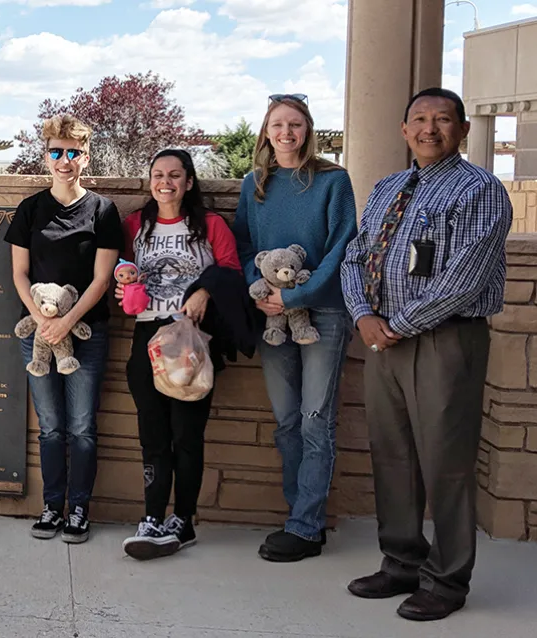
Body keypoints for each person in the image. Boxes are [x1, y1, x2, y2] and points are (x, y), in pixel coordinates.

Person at [341, 88, 511, 622]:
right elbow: (354, 255)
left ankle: (447, 579)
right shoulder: (388, 187)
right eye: (419, 119)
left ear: (462, 129)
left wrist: (397, 325)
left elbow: (467, 276)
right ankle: (401, 562)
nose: (429, 128)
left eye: (442, 119)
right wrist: (364, 317)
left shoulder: (479, 189)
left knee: (446, 464)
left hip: (445, 340)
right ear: (403, 128)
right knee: (391, 455)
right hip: (382, 339)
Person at [232, 94, 358, 562]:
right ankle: (300, 516)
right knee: (286, 419)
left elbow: (343, 246)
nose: (286, 133)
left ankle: (306, 528)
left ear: (308, 130)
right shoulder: (255, 184)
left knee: (314, 420)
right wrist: (260, 291)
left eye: (296, 124)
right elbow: (244, 244)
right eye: (278, 124)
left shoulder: (333, 181)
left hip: (322, 312)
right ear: (266, 131)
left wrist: (295, 296)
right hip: (272, 317)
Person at [117, 149, 254, 560]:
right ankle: (153, 517)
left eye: (175, 175)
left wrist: (204, 291)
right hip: (147, 338)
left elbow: (231, 271)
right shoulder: (134, 225)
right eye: (158, 174)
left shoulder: (210, 225)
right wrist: (123, 284)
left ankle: (185, 519)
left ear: (189, 182)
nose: (166, 182)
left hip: (192, 342)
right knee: (153, 435)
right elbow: (118, 267)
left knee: (187, 436)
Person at [4, 114, 122, 544]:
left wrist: (67, 322)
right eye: (57, 152)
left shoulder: (103, 211)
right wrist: (43, 321)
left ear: (85, 157)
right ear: (46, 157)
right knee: (50, 425)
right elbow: (19, 273)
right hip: (38, 335)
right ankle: (52, 505)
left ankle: (79, 510)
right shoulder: (31, 209)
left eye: (73, 152)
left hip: (86, 335)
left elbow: (101, 280)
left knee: (82, 426)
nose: (65, 160)